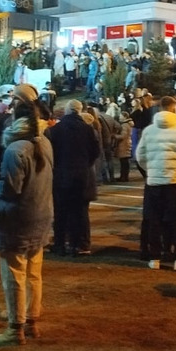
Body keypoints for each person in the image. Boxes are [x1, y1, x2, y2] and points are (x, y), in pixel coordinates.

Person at [0, 100, 54, 345]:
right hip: (41, 213)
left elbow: (11, 189)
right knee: (34, 271)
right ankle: (31, 319)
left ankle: (16, 327)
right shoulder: (44, 143)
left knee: (14, 273)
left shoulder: (15, 150)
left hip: (17, 218)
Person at [135, 96, 176, 271]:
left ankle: (154, 257)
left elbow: (140, 155)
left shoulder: (149, 131)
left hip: (154, 182)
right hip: (175, 180)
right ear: (174, 109)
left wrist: (150, 170)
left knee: (154, 219)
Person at [44, 99, 102, 256]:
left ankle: (60, 243)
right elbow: (95, 152)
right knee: (79, 211)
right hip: (81, 175)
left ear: (67, 111)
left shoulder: (55, 130)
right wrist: (85, 163)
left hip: (61, 174)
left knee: (60, 210)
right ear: (79, 111)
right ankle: (78, 244)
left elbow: (50, 152)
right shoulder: (87, 129)